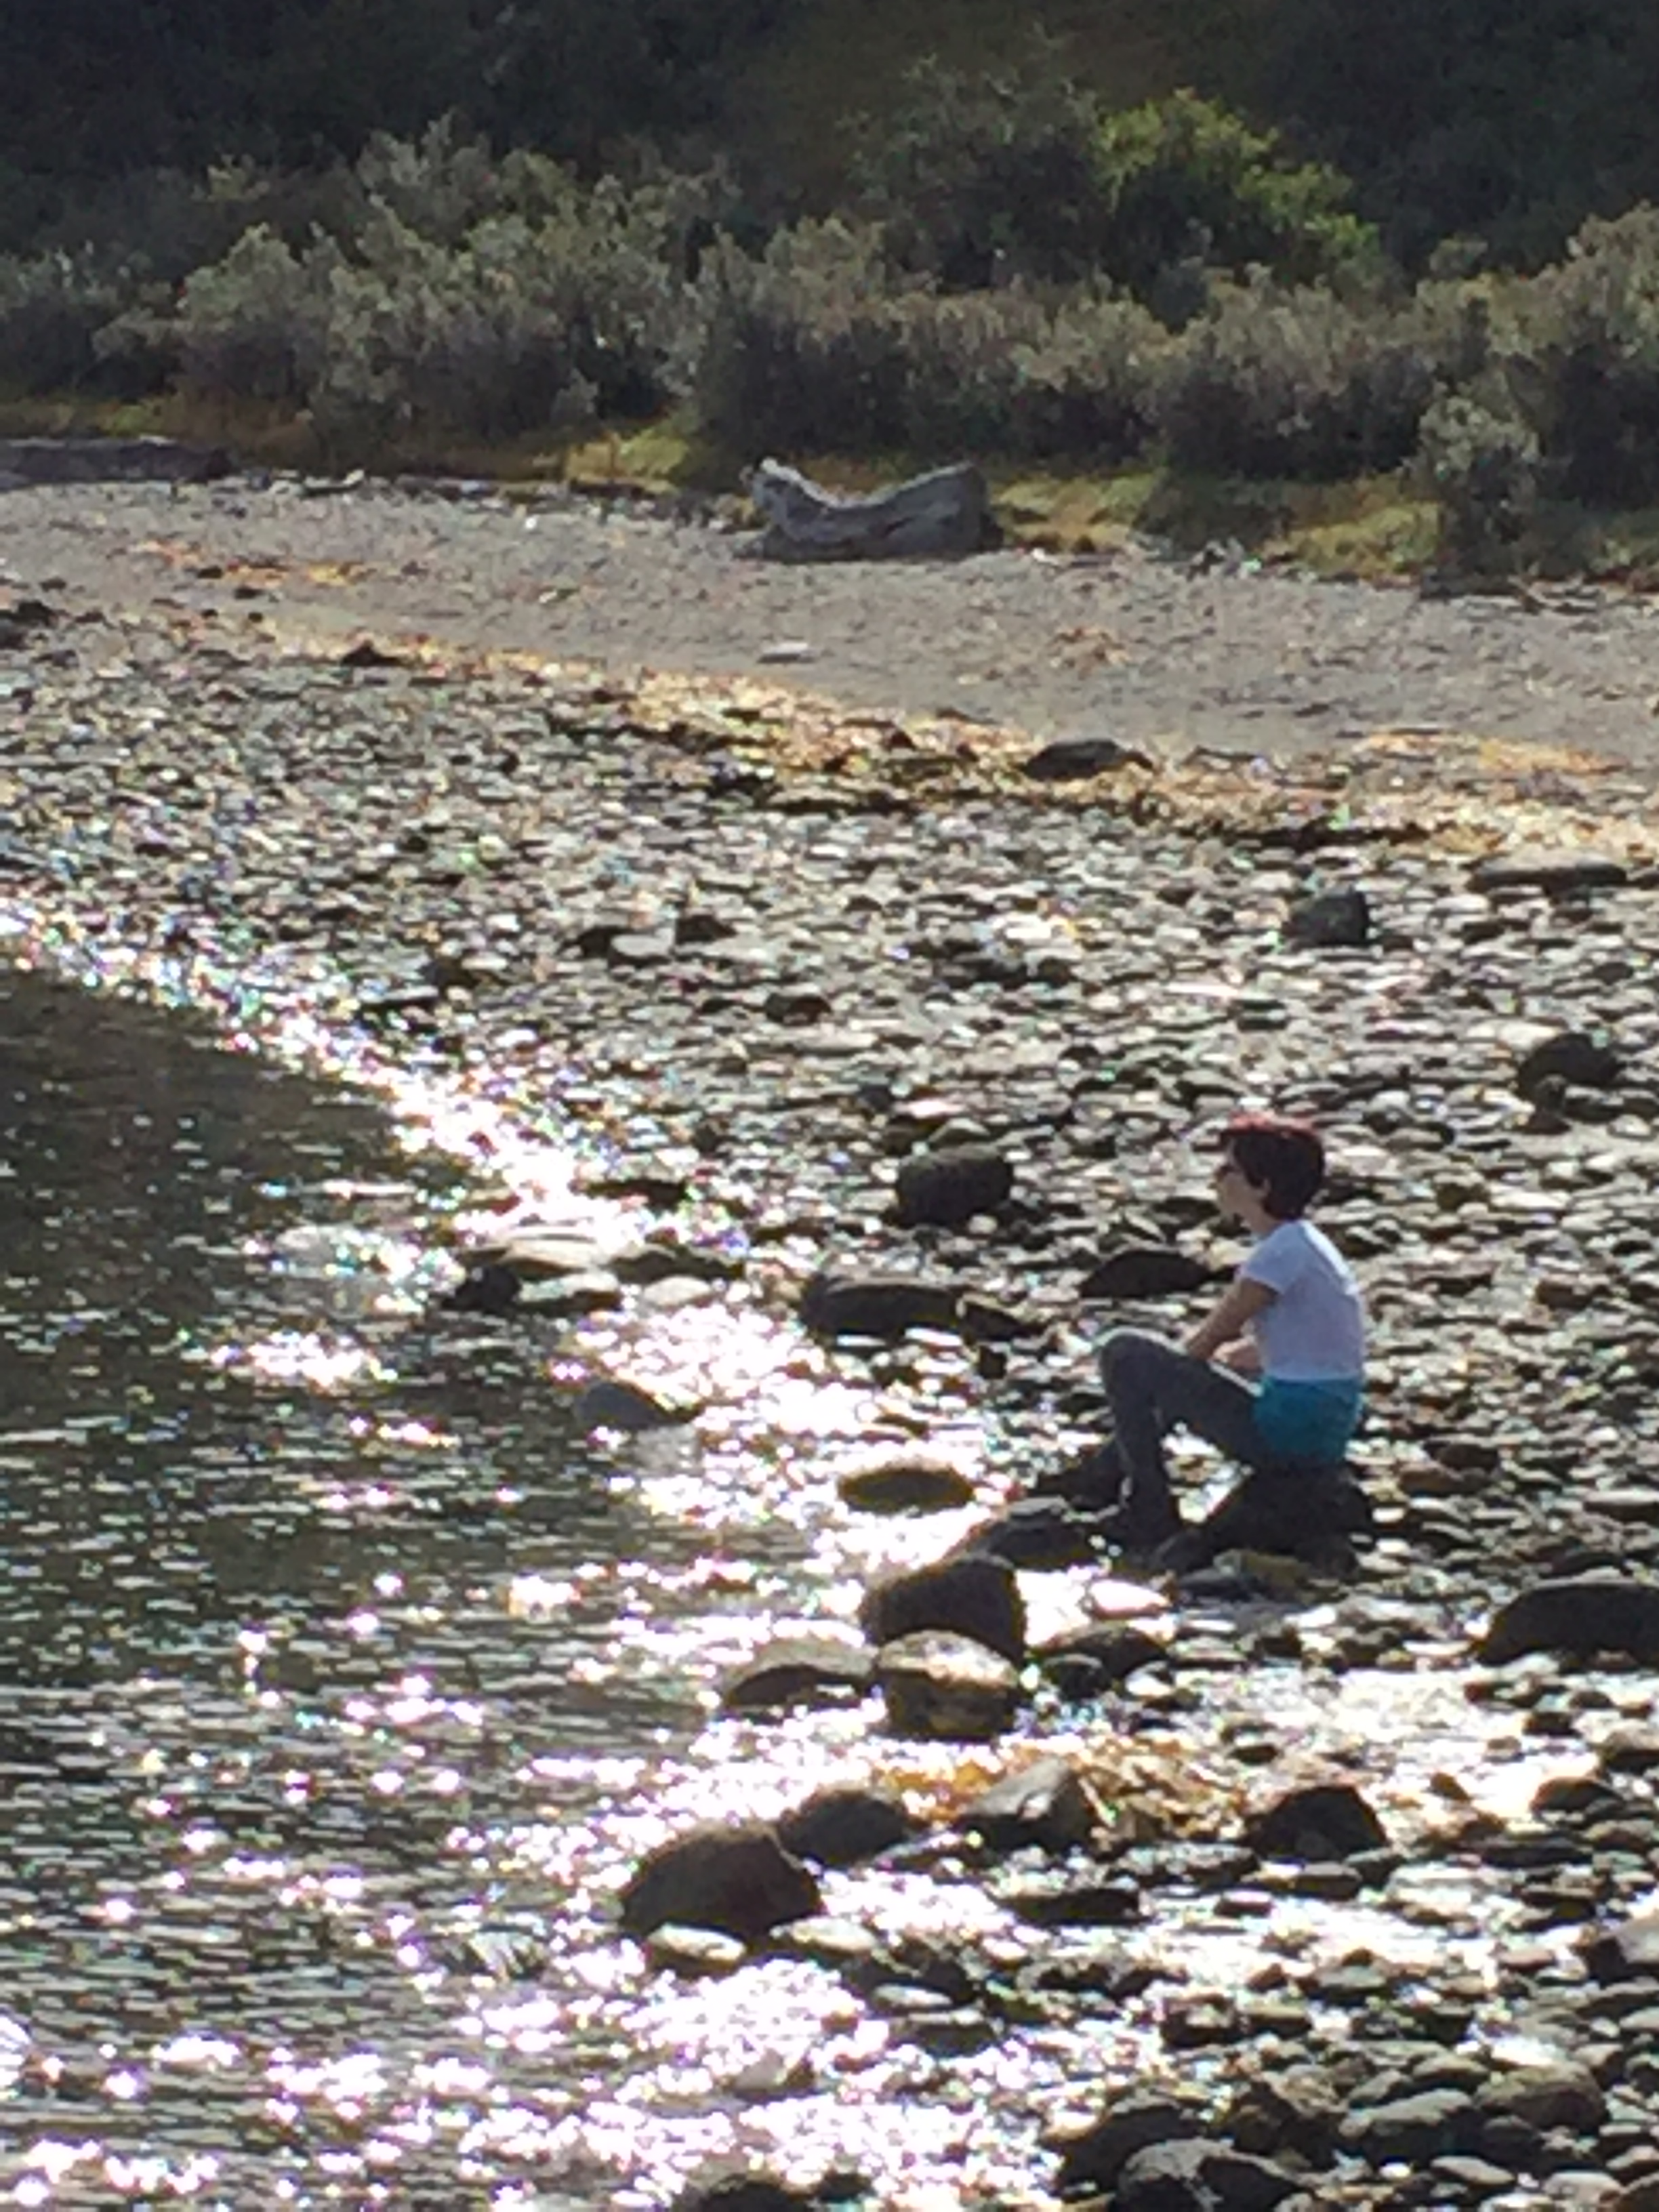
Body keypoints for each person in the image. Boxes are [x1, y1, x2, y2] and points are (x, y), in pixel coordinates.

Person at [1084, 1113, 1367, 1566]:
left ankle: (1146, 1503)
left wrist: (1182, 1370)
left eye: (1228, 1170)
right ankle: (1112, 1470)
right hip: (1323, 1424)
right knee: (1174, 1378)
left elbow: (1206, 1342)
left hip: (1289, 1435)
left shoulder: (1276, 1256)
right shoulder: (1309, 1245)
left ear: (1262, 1187)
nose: (1217, 1179)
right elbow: (1305, 1345)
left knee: (1125, 1351)